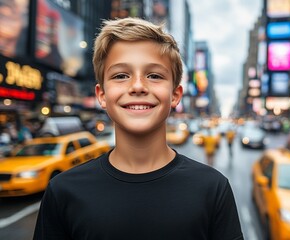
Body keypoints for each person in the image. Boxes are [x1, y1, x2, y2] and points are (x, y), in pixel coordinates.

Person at [33, 17, 243, 240]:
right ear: (102, 96)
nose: (138, 86)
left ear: (175, 95)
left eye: (154, 76)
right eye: (121, 76)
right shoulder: (62, 191)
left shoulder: (213, 188)